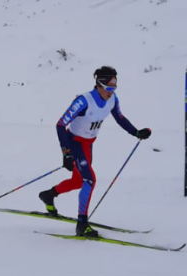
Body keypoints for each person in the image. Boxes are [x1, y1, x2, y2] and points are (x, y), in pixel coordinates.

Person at [38, 66, 152, 237]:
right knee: (89, 180)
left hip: (88, 145)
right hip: (74, 143)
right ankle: (82, 223)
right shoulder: (83, 101)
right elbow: (61, 124)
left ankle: (49, 195)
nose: (111, 92)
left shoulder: (112, 100)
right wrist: (66, 152)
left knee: (79, 181)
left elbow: (120, 118)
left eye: (114, 87)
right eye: (108, 88)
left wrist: (136, 132)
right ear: (98, 85)